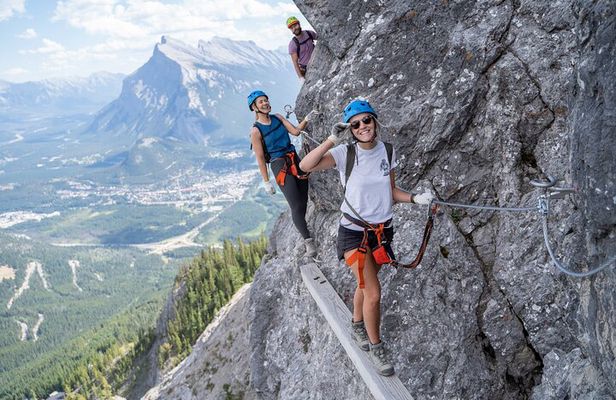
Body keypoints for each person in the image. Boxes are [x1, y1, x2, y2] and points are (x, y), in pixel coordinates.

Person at [298, 99, 434, 376]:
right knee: (373, 293)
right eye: (355, 124)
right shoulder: (344, 153)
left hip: (382, 233)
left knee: (364, 283)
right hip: (353, 233)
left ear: (375, 121)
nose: (362, 127)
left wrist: (417, 199)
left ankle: (357, 324)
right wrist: (332, 138)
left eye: (366, 121)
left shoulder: (388, 151)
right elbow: (305, 166)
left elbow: (391, 192)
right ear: (351, 128)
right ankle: (376, 347)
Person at [247, 90, 318, 258]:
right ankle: (308, 241)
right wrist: (266, 182)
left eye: (266, 100)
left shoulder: (278, 117)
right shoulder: (256, 131)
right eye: (261, 102)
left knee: (303, 199)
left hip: (294, 158)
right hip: (279, 165)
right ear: (254, 107)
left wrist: (307, 119)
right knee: (296, 205)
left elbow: (295, 132)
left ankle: (304, 227)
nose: (265, 103)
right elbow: (260, 158)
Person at [286, 16, 317, 81]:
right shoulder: (293, 44)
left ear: (299, 24)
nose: (294, 28)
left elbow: (320, 38)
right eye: (292, 28)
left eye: (295, 25)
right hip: (305, 69)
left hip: (317, 60)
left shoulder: (309, 33)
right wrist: (301, 77)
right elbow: (295, 63)